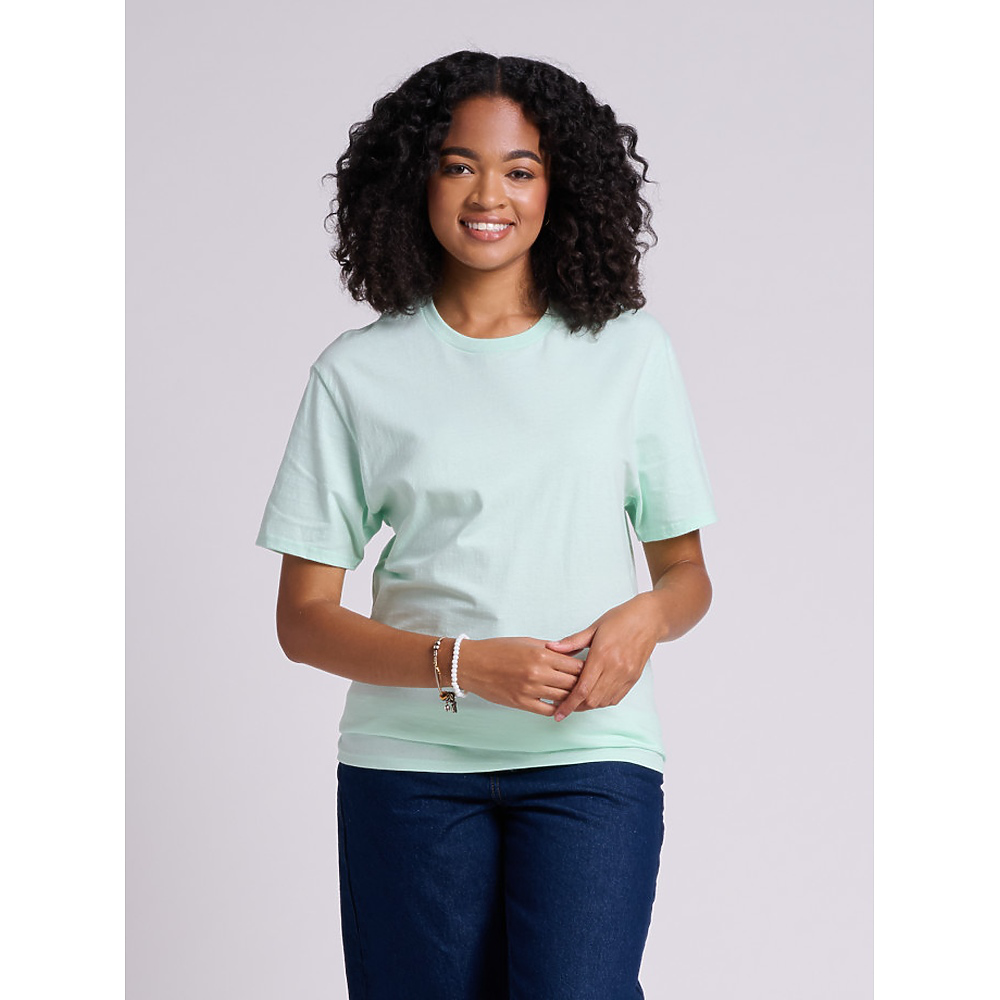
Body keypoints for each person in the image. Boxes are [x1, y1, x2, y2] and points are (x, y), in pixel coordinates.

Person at [255, 49, 718, 1000]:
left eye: (520, 169)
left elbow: (687, 574)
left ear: (561, 187)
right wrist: (463, 665)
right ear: (414, 180)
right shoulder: (356, 373)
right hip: (408, 769)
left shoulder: (630, 353)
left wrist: (645, 618)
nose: (487, 195)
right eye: (458, 164)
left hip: (590, 759)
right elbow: (303, 620)